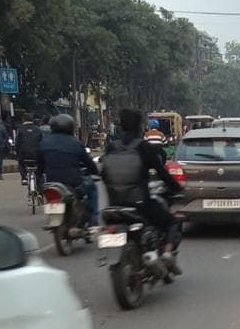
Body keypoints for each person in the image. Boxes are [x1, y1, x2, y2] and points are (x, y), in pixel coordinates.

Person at [101, 109, 183, 276]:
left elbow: (103, 173)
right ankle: (167, 254)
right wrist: (177, 187)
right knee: (173, 222)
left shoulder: (111, 147)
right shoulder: (143, 147)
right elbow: (162, 172)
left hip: (114, 205)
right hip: (139, 203)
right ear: (140, 126)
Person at [37, 114, 101, 226]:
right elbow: (88, 162)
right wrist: (95, 172)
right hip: (73, 183)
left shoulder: (44, 143)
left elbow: (39, 164)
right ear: (71, 127)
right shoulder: (75, 143)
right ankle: (94, 220)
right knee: (92, 188)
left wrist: (41, 174)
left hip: (52, 182)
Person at [15, 116, 43, 183]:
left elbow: (17, 143)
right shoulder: (38, 129)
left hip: (23, 154)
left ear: (23, 120)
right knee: (40, 164)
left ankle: (24, 178)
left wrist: (16, 152)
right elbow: (41, 142)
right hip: (36, 154)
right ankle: (39, 179)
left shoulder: (20, 129)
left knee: (21, 163)